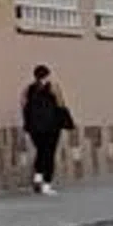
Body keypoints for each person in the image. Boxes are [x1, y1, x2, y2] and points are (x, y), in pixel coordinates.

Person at [21, 65, 74, 194]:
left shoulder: (28, 89)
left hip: (35, 128)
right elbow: (61, 104)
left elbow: (23, 105)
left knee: (41, 151)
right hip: (51, 126)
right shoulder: (53, 87)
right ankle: (46, 184)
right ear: (48, 75)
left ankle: (38, 177)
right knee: (49, 154)